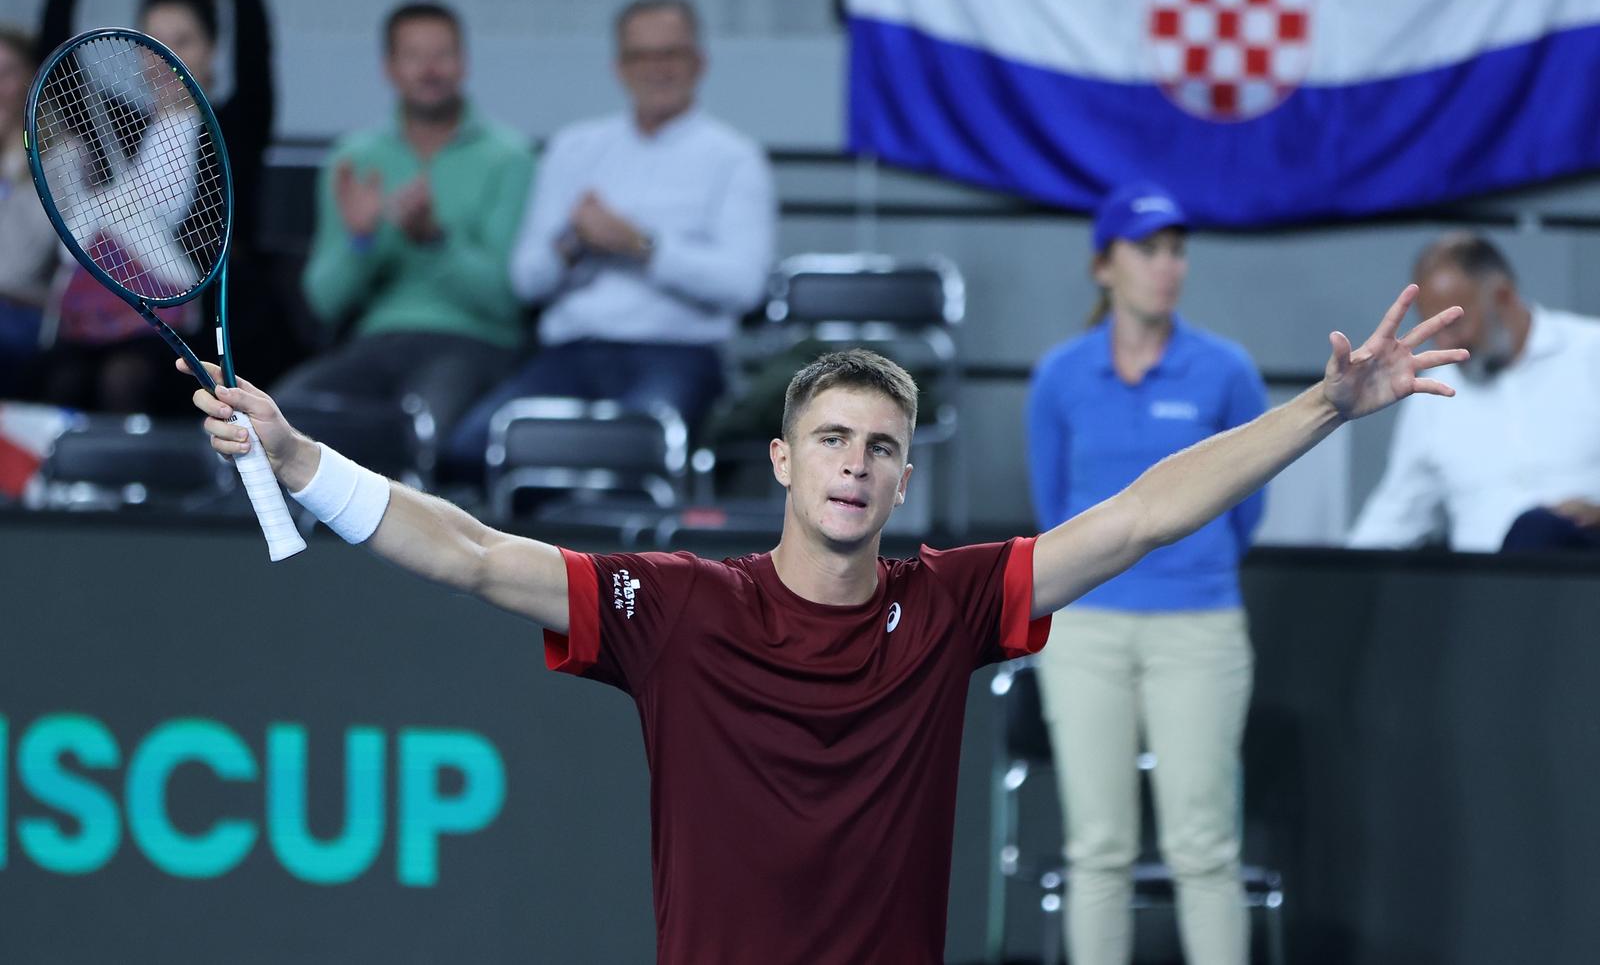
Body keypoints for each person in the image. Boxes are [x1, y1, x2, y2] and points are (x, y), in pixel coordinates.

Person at [183, 279, 1464, 965]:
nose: (855, 464)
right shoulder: (674, 606)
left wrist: (1326, 410)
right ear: (786, 464)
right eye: (832, 440)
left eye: (881, 448)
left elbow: (1135, 519)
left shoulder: (951, 603)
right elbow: (468, 552)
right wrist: (303, 462)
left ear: (905, 480)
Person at [1027, 183, 1268, 965]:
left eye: (1176, 250)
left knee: (1203, 844)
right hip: (1085, 628)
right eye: (1147, 250)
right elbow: (1053, 503)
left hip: (1199, 623)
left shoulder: (1226, 370)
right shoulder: (1060, 376)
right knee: (1097, 845)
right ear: (1105, 265)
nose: (1167, 267)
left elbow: (1246, 506)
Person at [447, 0, 774, 470]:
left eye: (671, 54)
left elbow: (744, 288)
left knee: (631, 452)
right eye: (641, 56)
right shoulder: (574, 148)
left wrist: (641, 246)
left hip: (678, 352)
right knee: (471, 447)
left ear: (698, 62)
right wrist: (573, 243)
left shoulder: (735, 158)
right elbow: (526, 281)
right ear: (619, 67)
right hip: (570, 351)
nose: (656, 69)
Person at [32, 0, 282, 410]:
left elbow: (259, 51)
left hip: (209, 325)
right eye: (152, 41)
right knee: (61, 381)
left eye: (183, 40)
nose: (163, 57)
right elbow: (58, 74)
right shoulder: (119, 126)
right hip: (105, 320)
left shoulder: (233, 126)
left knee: (128, 380)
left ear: (213, 50)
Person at [276, 0, 535, 438]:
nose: (429, 70)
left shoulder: (510, 157)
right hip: (375, 343)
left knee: (416, 426)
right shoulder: (354, 158)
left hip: (472, 344)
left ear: (464, 63)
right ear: (389, 68)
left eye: (442, 55)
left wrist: (434, 239)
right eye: (413, 56)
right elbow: (324, 301)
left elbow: (507, 302)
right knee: (278, 423)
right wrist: (361, 239)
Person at [1348, 232, 1600, 552]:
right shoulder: (1431, 392)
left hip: (1586, 579)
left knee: (1537, 530)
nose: (1443, 344)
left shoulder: (1592, 353)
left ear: (1504, 297)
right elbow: (1396, 515)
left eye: (1452, 325)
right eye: (1433, 329)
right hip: (1485, 591)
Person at [0, 27, 60, 398]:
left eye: (7, 73)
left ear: (30, 79)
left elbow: (19, 266)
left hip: (29, 315)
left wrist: (10, 159)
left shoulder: (60, 156)